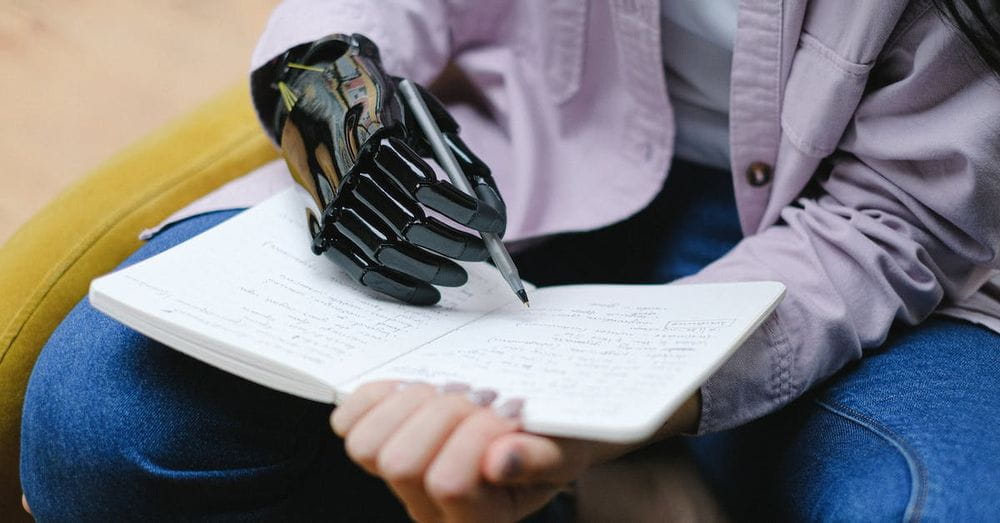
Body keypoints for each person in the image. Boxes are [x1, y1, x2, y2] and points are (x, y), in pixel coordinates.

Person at [19, 0, 1000, 520]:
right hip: (518, 172)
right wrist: (328, 85)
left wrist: (621, 394)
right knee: (98, 424)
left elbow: (900, 220)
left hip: (882, 274)